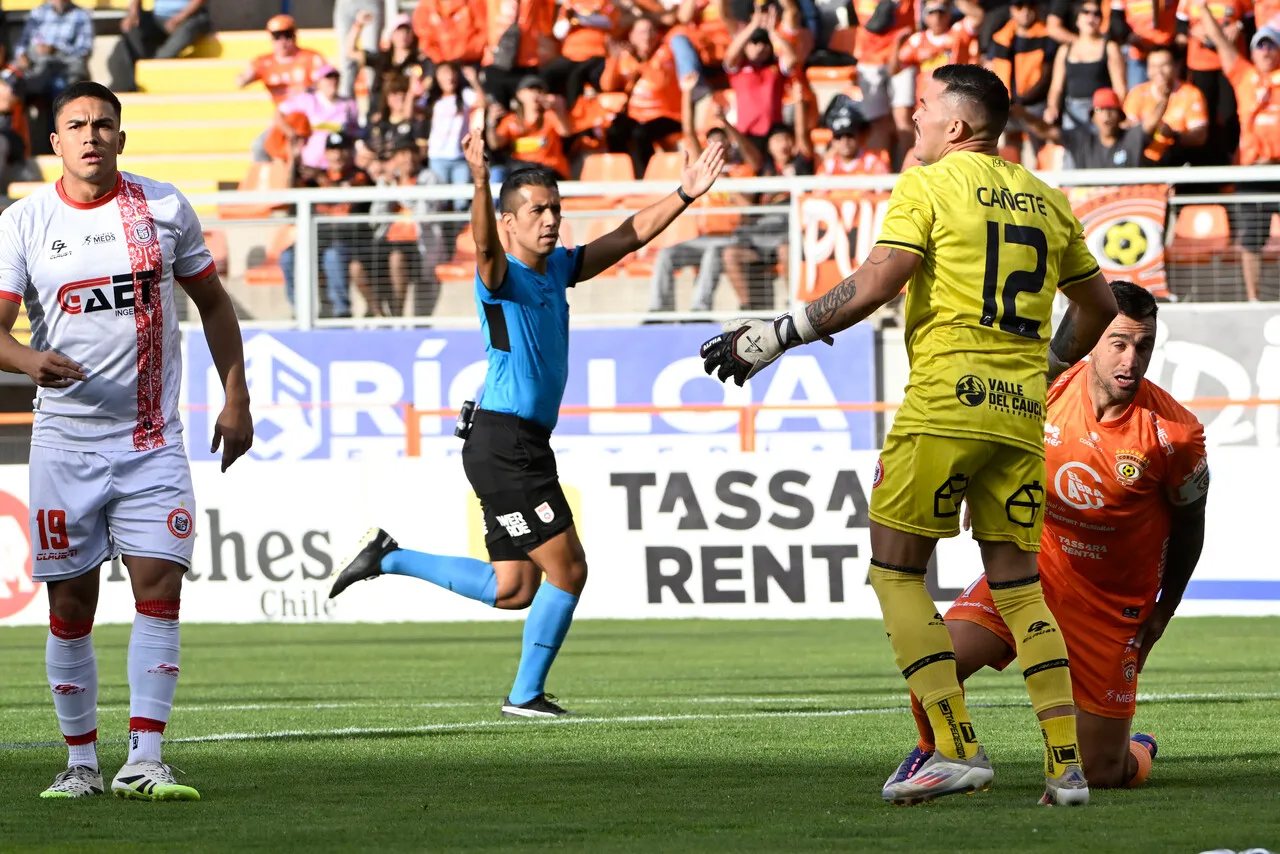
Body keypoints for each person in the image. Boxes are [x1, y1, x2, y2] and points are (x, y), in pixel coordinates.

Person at [699, 64, 1119, 805]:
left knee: (896, 571)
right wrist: (1044, 363)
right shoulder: (1049, 200)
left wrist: (772, 335)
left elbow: (877, 281)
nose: (914, 120)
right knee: (1020, 588)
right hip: (1022, 415)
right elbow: (1099, 306)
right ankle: (1065, 766)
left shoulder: (927, 186)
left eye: (924, 109)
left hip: (943, 405)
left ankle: (955, 748)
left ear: (956, 126)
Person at [328, 132, 726, 718]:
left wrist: (684, 195)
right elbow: (483, 244)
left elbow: (628, 235)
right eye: (536, 211)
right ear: (509, 222)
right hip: (503, 444)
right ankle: (524, 696)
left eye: (556, 210)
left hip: (519, 444)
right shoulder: (501, 275)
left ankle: (387, 557)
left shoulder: (557, 269)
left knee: (513, 588)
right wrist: (478, 178)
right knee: (569, 568)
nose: (550, 220)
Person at [0, 81, 252, 800]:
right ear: (54, 142)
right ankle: (79, 764)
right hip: (64, 444)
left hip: (150, 440)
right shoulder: (23, 223)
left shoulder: (164, 207)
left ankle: (144, 758)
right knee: (71, 606)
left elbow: (212, 303)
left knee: (158, 589)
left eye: (103, 124)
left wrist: (236, 396)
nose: (90, 135)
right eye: (75, 125)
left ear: (121, 137)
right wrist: (26, 359)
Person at [891, 282, 1208, 791]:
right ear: (1092, 340)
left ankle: (1135, 748)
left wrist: (1163, 609)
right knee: (934, 656)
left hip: (1110, 607)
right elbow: (995, 433)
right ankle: (938, 752)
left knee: (1104, 773)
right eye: (1119, 343)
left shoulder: (1175, 434)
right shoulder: (1049, 385)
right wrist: (978, 484)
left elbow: (1192, 525)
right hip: (1034, 575)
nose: (1132, 359)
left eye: (1143, 346)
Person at [1201, 11, 1280, 303]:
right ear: (1252, 51)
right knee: (1251, 241)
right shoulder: (1245, 76)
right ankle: (1254, 300)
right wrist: (1203, 9)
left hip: (1279, 171)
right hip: (1253, 173)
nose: (1266, 50)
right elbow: (1222, 44)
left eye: (1272, 45)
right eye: (1260, 45)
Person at [279, 132, 374, 318]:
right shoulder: (314, 178)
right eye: (332, 150)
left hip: (347, 241)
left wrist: (322, 179)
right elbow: (290, 193)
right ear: (326, 153)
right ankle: (299, 311)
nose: (337, 156)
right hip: (317, 239)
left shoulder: (359, 176)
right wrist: (293, 161)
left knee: (333, 256)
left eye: (341, 150)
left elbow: (347, 197)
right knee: (287, 256)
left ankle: (341, 312)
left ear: (350, 152)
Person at [600, 18, 684, 179]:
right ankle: (622, 175)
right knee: (615, 131)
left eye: (650, 31)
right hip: (636, 114)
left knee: (641, 134)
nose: (646, 37)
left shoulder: (665, 53)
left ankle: (649, 177)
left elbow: (658, 83)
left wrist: (639, 61)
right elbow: (607, 86)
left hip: (666, 114)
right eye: (641, 32)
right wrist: (613, 59)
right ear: (631, 36)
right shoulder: (625, 57)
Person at [724, 7, 798, 158]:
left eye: (764, 43)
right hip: (747, 133)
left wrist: (773, 33)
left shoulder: (776, 67)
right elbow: (730, 55)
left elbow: (792, 59)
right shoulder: (739, 68)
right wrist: (752, 26)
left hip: (774, 134)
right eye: (755, 42)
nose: (761, 47)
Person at [986, 0, 1056, 155]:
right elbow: (990, 69)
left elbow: (1047, 76)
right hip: (1006, 105)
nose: (1025, 11)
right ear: (1012, 10)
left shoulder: (1047, 37)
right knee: (1005, 150)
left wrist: (1022, 105)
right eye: (1019, 7)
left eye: (1030, 6)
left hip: (1034, 105)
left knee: (1039, 151)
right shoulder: (1000, 37)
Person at [1043, 1, 1126, 130]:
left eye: (1096, 14)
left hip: (1101, 111)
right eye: (1086, 12)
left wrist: (1115, 114)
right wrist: (1052, 107)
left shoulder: (1110, 48)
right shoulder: (1065, 50)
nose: (1091, 17)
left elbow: (1120, 88)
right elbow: (1056, 87)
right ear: (1077, 19)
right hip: (1072, 112)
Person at [1015, 87, 1146, 168]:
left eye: (1111, 109)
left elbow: (1150, 125)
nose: (1106, 115)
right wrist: (1024, 115)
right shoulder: (1081, 139)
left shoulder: (1131, 138)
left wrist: (1163, 97)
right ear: (1093, 117)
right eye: (1100, 110)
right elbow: (1047, 131)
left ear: (1120, 116)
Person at [1122, 45, 1208, 165]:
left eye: (1164, 65)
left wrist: (1174, 135)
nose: (1159, 71)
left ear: (1175, 66)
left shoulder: (1191, 94)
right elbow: (1129, 127)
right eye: (1153, 66)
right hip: (1142, 156)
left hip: (1179, 156)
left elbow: (1200, 136)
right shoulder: (1137, 93)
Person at [107, 0, 212, 93]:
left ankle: (156, 62)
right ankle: (125, 83)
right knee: (128, 36)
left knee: (188, 30)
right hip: (158, 17)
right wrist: (133, 13)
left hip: (189, 16)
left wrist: (179, 18)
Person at [346, 11, 433, 123]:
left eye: (407, 32)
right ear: (391, 35)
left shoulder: (419, 61)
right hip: (378, 116)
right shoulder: (383, 58)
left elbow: (428, 83)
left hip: (407, 118)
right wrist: (358, 25)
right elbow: (351, 52)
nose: (403, 36)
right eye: (398, 32)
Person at [892, 0, 984, 103]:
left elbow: (978, 16)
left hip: (955, 101)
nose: (937, 18)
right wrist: (897, 45)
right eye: (932, 13)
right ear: (925, 17)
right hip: (928, 104)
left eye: (941, 12)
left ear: (948, 15)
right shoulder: (917, 41)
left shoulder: (957, 32)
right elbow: (894, 69)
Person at [273, 65, 361, 172]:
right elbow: (279, 112)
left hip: (339, 164)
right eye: (328, 78)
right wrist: (291, 133)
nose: (332, 81)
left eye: (335, 78)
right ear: (319, 82)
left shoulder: (348, 104)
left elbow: (355, 131)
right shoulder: (307, 100)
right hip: (311, 163)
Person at [486, 75, 572, 179]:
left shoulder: (550, 116)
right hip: (521, 170)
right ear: (519, 94)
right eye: (531, 89)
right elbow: (495, 144)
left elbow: (565, 132)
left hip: (548, 169)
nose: (536, 94)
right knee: (498, 173)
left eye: (540, 90)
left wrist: (557, 109)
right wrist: (491, 122)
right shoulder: (512, 120)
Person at [13, 0, 93, 102]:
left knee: (58, 86)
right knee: (13, 86)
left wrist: (56, 50)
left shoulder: (81, 15)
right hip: (36, 67)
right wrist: (21, 55)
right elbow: (22, 41)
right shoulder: (38, 12)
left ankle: (56, 117)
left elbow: (85, 50)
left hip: (65, 68)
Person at [423, 62, 480, 193]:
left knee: (461, 199)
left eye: (451, 72)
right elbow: (413, 111)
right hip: (438, 156)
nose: (449, 77)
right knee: (439, 198)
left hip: (460, 156)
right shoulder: (432, 99)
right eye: (444, 73)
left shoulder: (464, 95)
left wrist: (474, 81)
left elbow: (482, 102)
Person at [334, 0, 383, 100]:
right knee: (346, 62)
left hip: (369, 3)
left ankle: (375, 105)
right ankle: (346, 108)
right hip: (345, 4)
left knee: (372, 59)